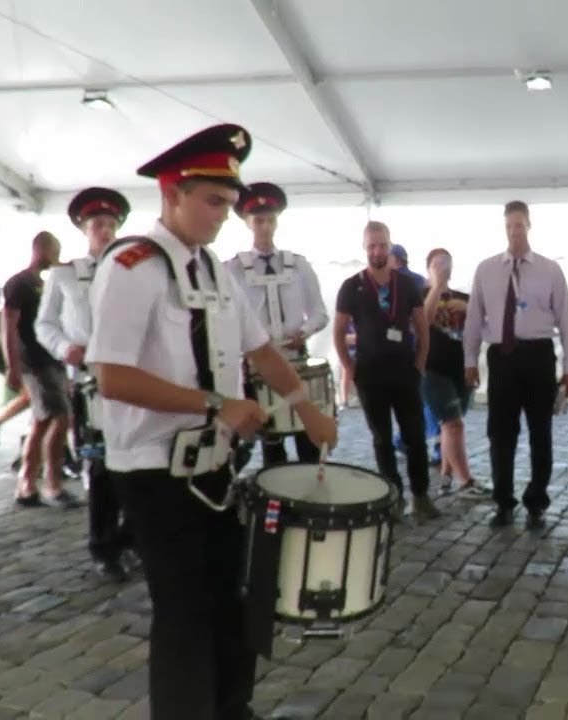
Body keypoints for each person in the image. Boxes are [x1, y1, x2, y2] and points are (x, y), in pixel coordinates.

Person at [86, 123, 338, 720]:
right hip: (155, 474)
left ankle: (231, 707)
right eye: (213, 202)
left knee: (234, 600)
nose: (224, 216)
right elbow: (112, 378)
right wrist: (215, 404)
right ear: (172, 191)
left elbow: (261, 349)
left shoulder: (215, 270)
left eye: (228, 204)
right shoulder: (133, 265)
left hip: (216, 466)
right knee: (184, 613)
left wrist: (305, 408)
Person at [36, 186, 134, 582]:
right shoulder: (64, 274)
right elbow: (44, 324)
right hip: (90, 380)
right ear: (84, 229)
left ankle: (132, 538)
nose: (105, 231)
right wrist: (64, 347)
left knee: (137, 458)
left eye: (111, 224)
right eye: (98, 225)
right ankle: (104, 546)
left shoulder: (132, 267)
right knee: (101, 465)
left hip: (132, 378)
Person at [463, 201, 568, 530]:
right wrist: (469, 359)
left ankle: (537, 500)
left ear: (529, 225)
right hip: (502, 357)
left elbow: (567, 320)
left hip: (539, 355)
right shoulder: (486, 269)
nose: (515, 231)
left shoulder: (549, 269)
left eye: (520, 225)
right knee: (501, 433)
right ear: (504, 228)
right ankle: (503, 501)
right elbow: (474, 318)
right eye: (510, 225)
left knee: (540, 432)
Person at [332, 223, 438, 520]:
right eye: (371, 246)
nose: (376, 251)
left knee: (415, 435)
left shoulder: (405, 285)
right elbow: (338, 331)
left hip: (405, 371)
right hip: (369, 375)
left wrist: (420, 362)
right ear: (365, 248)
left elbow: (421, 326)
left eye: (381, 245)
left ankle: (421, 495)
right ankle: (393, 496)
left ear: (390, 246)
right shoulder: (351, 286)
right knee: (381, 438)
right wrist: (349, 368)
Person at [225, 182, 329, 467]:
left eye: (270, 220)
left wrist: (304, 333)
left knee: (307, 436)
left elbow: (320, 313)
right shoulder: (232, 270)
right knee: (272, 443)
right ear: (247, 223)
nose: (265, 227)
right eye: (259, 220)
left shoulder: (298, 265)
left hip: (296, 360)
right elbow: (227, 320)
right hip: (258, 365)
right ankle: (278, 506)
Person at [3, 231, 80, 509]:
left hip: (52, 359)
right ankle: (52, 484)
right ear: (43, 249)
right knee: (60, 417)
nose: (57, 257)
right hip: (33, 361)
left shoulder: (43, 283)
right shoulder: (20, 283)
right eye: (55, 251)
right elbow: (8, 326)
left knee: (41, 421)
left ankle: (26, 484)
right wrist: (13, 366)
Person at [421, 247, 490, 497]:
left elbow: (484, 330)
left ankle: (447, 476)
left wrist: (468, 309)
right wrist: (437, 287)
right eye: (436, 264)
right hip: (432, 369)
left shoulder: (464, 297)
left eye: (446, 263)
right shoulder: (421, 295)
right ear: (428, 268)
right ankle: (465, 480)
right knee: (453, 424)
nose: (442, 267)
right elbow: (424, 322)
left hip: (461, 369)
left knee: (451, 425)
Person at [389, 243, 442, 465]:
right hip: (427, 343)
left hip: (405, 347)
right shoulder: (421, 280)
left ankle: (434, 443)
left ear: (395, 259)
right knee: (419, 398)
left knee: (419, 398)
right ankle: (407, 439)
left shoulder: (393, 282)